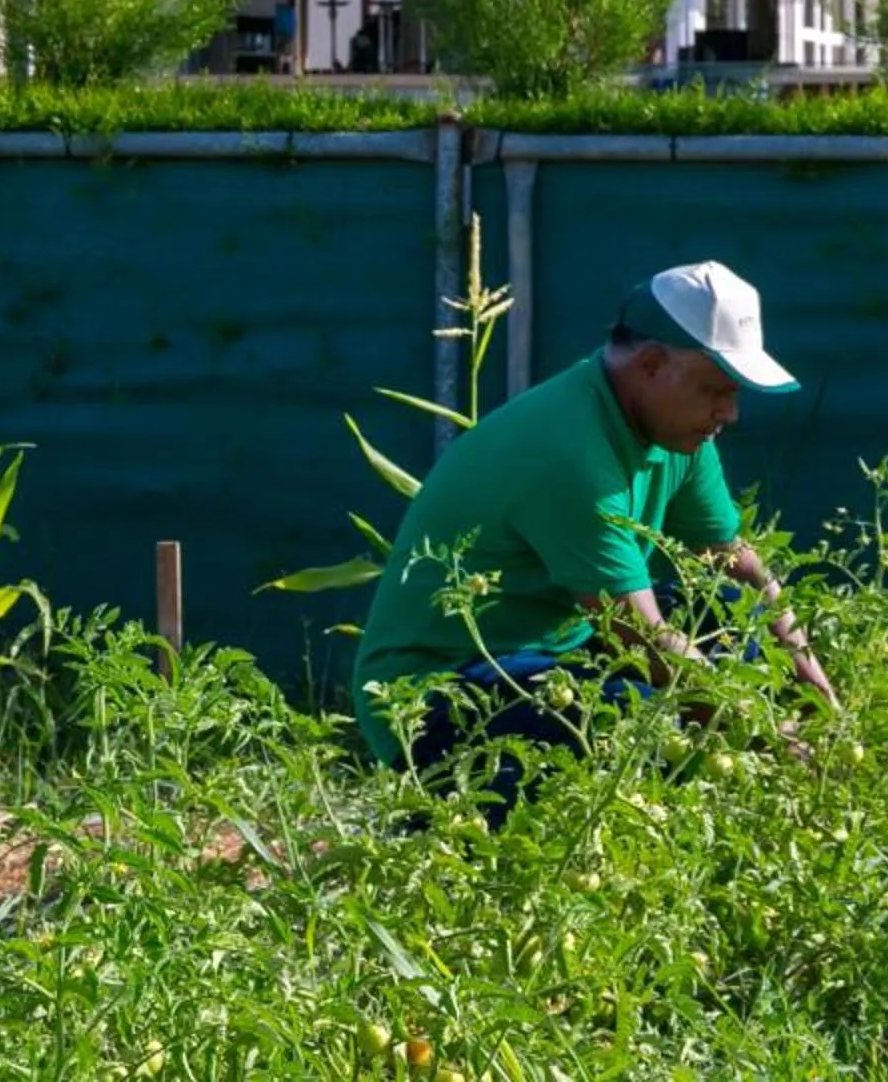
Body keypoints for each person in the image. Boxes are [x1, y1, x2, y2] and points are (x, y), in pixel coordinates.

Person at [352, 260, 839, 810]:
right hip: (438, 693)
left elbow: (737, 565)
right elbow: (642, 637)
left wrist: (814, 689)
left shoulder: (679, 434)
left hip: (555, 659)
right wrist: (766, 741)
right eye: (715, 390)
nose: (729, 412)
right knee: (638, 717)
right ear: (653, 363)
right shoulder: (570, 451)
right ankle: (462, 829)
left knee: (725, 611)